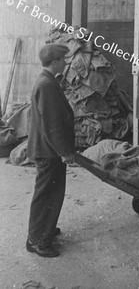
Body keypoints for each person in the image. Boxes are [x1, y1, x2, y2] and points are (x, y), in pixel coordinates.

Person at [26, 44, 75, 258]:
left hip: (48, 148)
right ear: (54, 62)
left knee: (50, 193)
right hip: (49, 151)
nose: (66, 62)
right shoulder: (46, 84)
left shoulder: (48, 81)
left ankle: (43, 230)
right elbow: (52, 123)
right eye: (63, 59)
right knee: (47, 195)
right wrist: (64, 151)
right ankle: (37, 241)